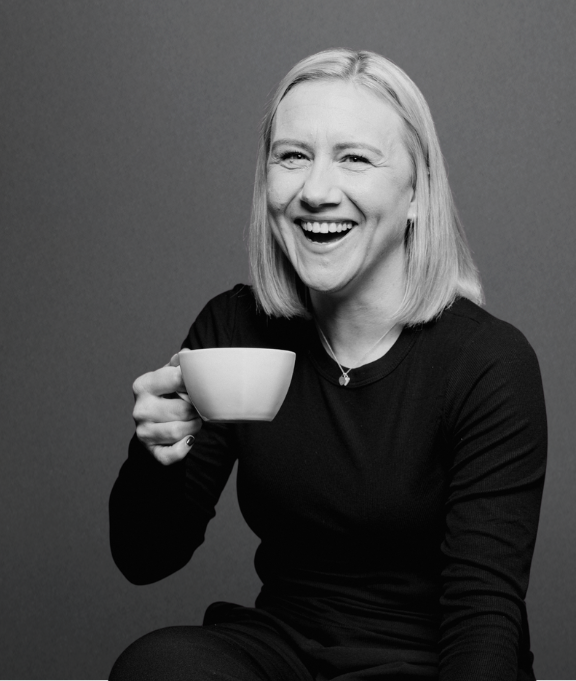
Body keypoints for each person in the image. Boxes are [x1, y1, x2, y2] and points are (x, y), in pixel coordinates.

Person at [108, 49, 546, 681]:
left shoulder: (487, 364)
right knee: (157, 667)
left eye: (355, 158)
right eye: (292, 156)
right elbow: (144, 557)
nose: (315, 192)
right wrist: (157, 453)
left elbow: (484, 626)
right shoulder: (236, 330)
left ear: (417, 193)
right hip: (282, 648)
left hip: (422, 665)